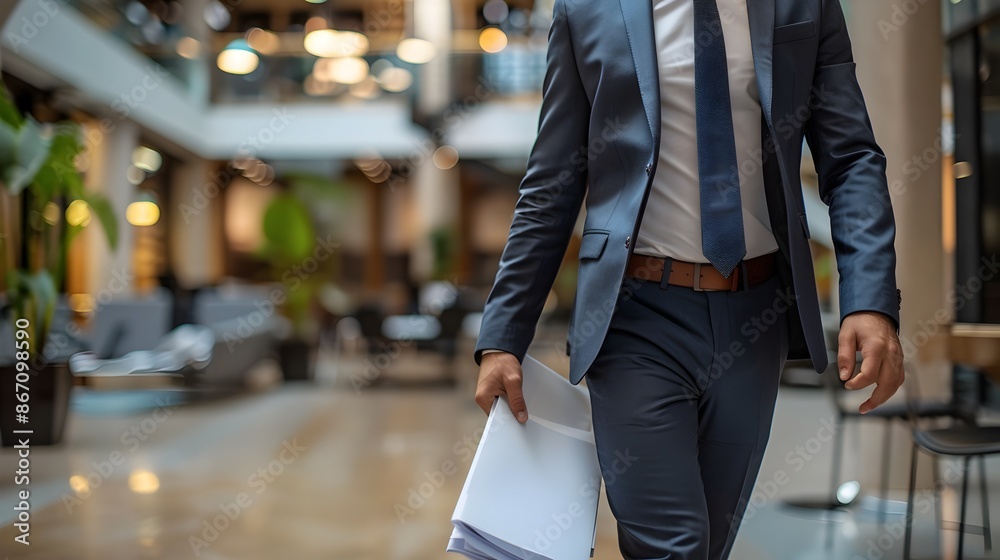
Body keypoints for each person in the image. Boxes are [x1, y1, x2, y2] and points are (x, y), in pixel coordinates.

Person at [473, 0, 904, 558]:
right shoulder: (587, 10)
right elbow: (552, 182)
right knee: (673, 545)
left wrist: (869, 301)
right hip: (634, 319)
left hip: (756, 318)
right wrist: (503, 335)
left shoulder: (805, 5)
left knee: (709, 544)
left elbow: (850, 159)